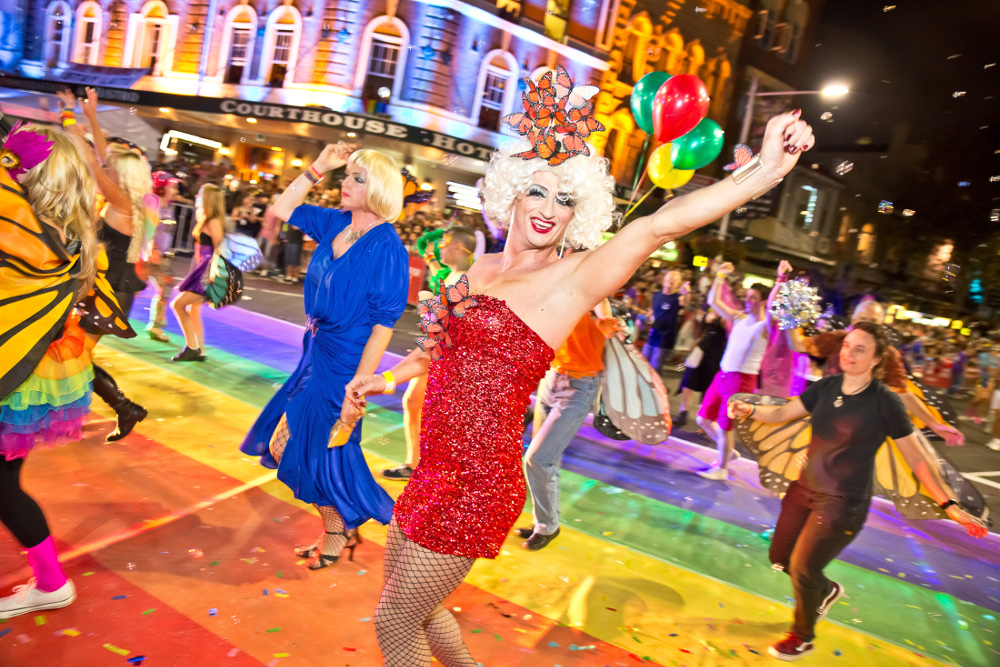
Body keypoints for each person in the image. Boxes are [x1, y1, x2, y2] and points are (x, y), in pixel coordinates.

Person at [343, 66, 813, 665]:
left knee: (392, 622)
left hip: (476, 484)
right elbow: (436, 349)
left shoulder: (569, 282)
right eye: (537, 190)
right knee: (419, 611)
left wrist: (766, 170)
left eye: (565, 200)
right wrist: (378, 380)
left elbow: (656, 225)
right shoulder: (477, 270)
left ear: (578, 215)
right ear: (511, 192)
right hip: (431, 470)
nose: (548, 209)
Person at [728, 322, 987, 661]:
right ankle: (824, 591)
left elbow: (916, 458)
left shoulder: (885, 403)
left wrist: (949, 504)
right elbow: (781, 412)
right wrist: (750, 410)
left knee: (804, 568)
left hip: (842, 502)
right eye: (847, 346)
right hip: (803, 489)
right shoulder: (827, 386)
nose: (849, 353)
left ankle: (802, 636)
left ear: (877, 359)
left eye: (860, 349)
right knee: (780, 557)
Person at [240, 143, 409, 570]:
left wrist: (360, 385)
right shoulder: (335, 223)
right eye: (345, 176)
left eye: (356, 178)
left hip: (346, 365)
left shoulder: (387, 246)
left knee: (314, 449)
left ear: (379, 189)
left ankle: (338, 529)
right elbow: (281, 206)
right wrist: (319, 165)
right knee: (296, 448)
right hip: (315, 352)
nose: (344, 184)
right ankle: (339, 527)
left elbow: (383, 325)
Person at [0, 124, 132, 618]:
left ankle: (52, 581)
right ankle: (51, 579)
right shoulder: (74, 234)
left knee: (3, 485)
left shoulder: (20, 227)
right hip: (30, 374)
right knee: (4, 483)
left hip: (13, 371)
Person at [58, 88, 150, 442]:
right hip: (103, 286)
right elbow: (100, 155)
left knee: (74, 355)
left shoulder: (123, 198)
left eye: (113, 164)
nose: (107, 163)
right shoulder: (127, 193)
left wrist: (70, 116)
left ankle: (125, 407)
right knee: (70, 352)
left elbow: (92, 162)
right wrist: (92, 117)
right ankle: (124, 408)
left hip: (109, 291)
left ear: (121, 174)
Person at [787, 300, 965, 446]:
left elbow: (904, 394)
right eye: (862, 318)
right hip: (824, 418)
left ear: (881, 325)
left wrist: (934, 424)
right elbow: (800, 345)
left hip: (858, 429)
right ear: (853, 318)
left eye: (872, 320)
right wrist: (789, 313)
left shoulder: (887, 354)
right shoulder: (836, 339)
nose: (865, 324)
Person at [515, 300, 617, 550]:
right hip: (550, 379)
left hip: (579, 387)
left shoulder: (597, 299)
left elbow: (607, 317)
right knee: (549, 460)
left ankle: (548, 526)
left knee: (537, 458)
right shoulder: (560, 291)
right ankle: (544, 523)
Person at [382, 226, 478, 481]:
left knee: (441, 417)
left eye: (444, 243)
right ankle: (415, 465)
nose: (440, 247)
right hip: (435, 352)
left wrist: (391, 377)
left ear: (457, 247)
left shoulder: (469, 282)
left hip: (447, 358)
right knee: (413, 403)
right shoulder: (452, 276)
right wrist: (431, 261)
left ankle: (439, 472)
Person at [696, 262, 782, 481]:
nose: (748, 300)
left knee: (726, 426)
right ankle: (728, 452)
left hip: (741, 381)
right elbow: (713, 301)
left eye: (753, 298)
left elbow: (773, 305)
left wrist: (780, 280)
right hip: (722, 375)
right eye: (747, 296)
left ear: (763, 301)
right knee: (702, 419)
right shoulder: (739, 318)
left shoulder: (765, 327)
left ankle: (722, 469)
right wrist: (720, 276)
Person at [170, 183, 228, 362]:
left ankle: (192, 348)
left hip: (207, 274)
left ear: (208, 198)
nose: (197, 196)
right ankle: (199, 350)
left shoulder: (213, 221)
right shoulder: (205, 218)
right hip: (201, 270)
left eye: (201, 193)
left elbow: (222, 250)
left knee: (177, 305)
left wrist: (214, 278)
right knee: (193, 309)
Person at [145, 173, 187, 342]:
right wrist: (152, 248)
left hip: (162, 255)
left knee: (165, 286)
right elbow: (147, 227)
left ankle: (155, 325)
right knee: (133, 287)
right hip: (151, 255)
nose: (175, 190)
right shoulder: (153, 204)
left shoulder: (168, 207)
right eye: (172, 186)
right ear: (162, 186)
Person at [675, 307, 727, 427]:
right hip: (698, 355)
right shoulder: (706, 313)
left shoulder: (725, 319)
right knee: (687, 384)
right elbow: (697, 328)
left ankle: (706, 417)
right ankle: (683, 413)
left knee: (707, 389)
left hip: (713, 359)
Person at [642, 270, 690, 373]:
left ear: (678, 284)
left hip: (665, 338)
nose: (668, 284)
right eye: (667, 281)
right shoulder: (657, 295)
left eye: (672, 283)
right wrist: (648, 315)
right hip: (653, 334)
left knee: (655, 367)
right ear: (664, 280)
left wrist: (686, 293)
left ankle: (654, 388)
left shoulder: (677, 298)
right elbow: (654, 310)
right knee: (642, 363)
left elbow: (684, 302)